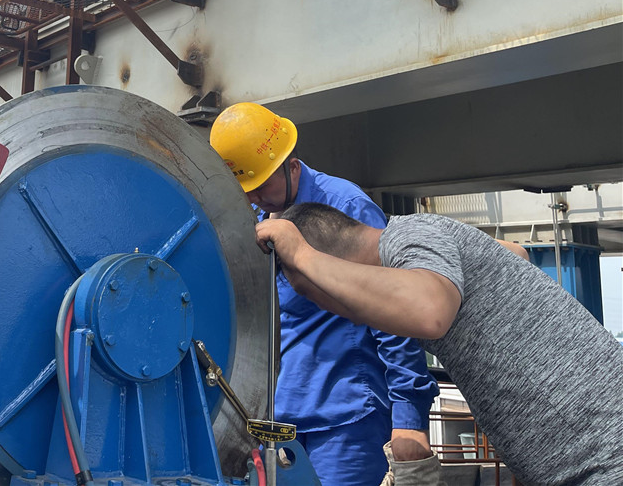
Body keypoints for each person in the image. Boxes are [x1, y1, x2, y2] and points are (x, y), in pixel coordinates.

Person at [258, 203, 623, 486]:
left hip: (605, 456)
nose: (331, 309)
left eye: (316, 295)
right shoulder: (428, 242)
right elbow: (517, 254)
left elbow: (430, 312)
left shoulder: (410, 234)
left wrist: (302, 255)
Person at [209, 103, 438, 486]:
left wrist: (409, 419)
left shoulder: (346, 206)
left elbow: (393, 312)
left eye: (261, 187)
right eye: (247, 192)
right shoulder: (265, 218)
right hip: (285, 422)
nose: (255, 199)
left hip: (348, 421)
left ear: (291, 164)